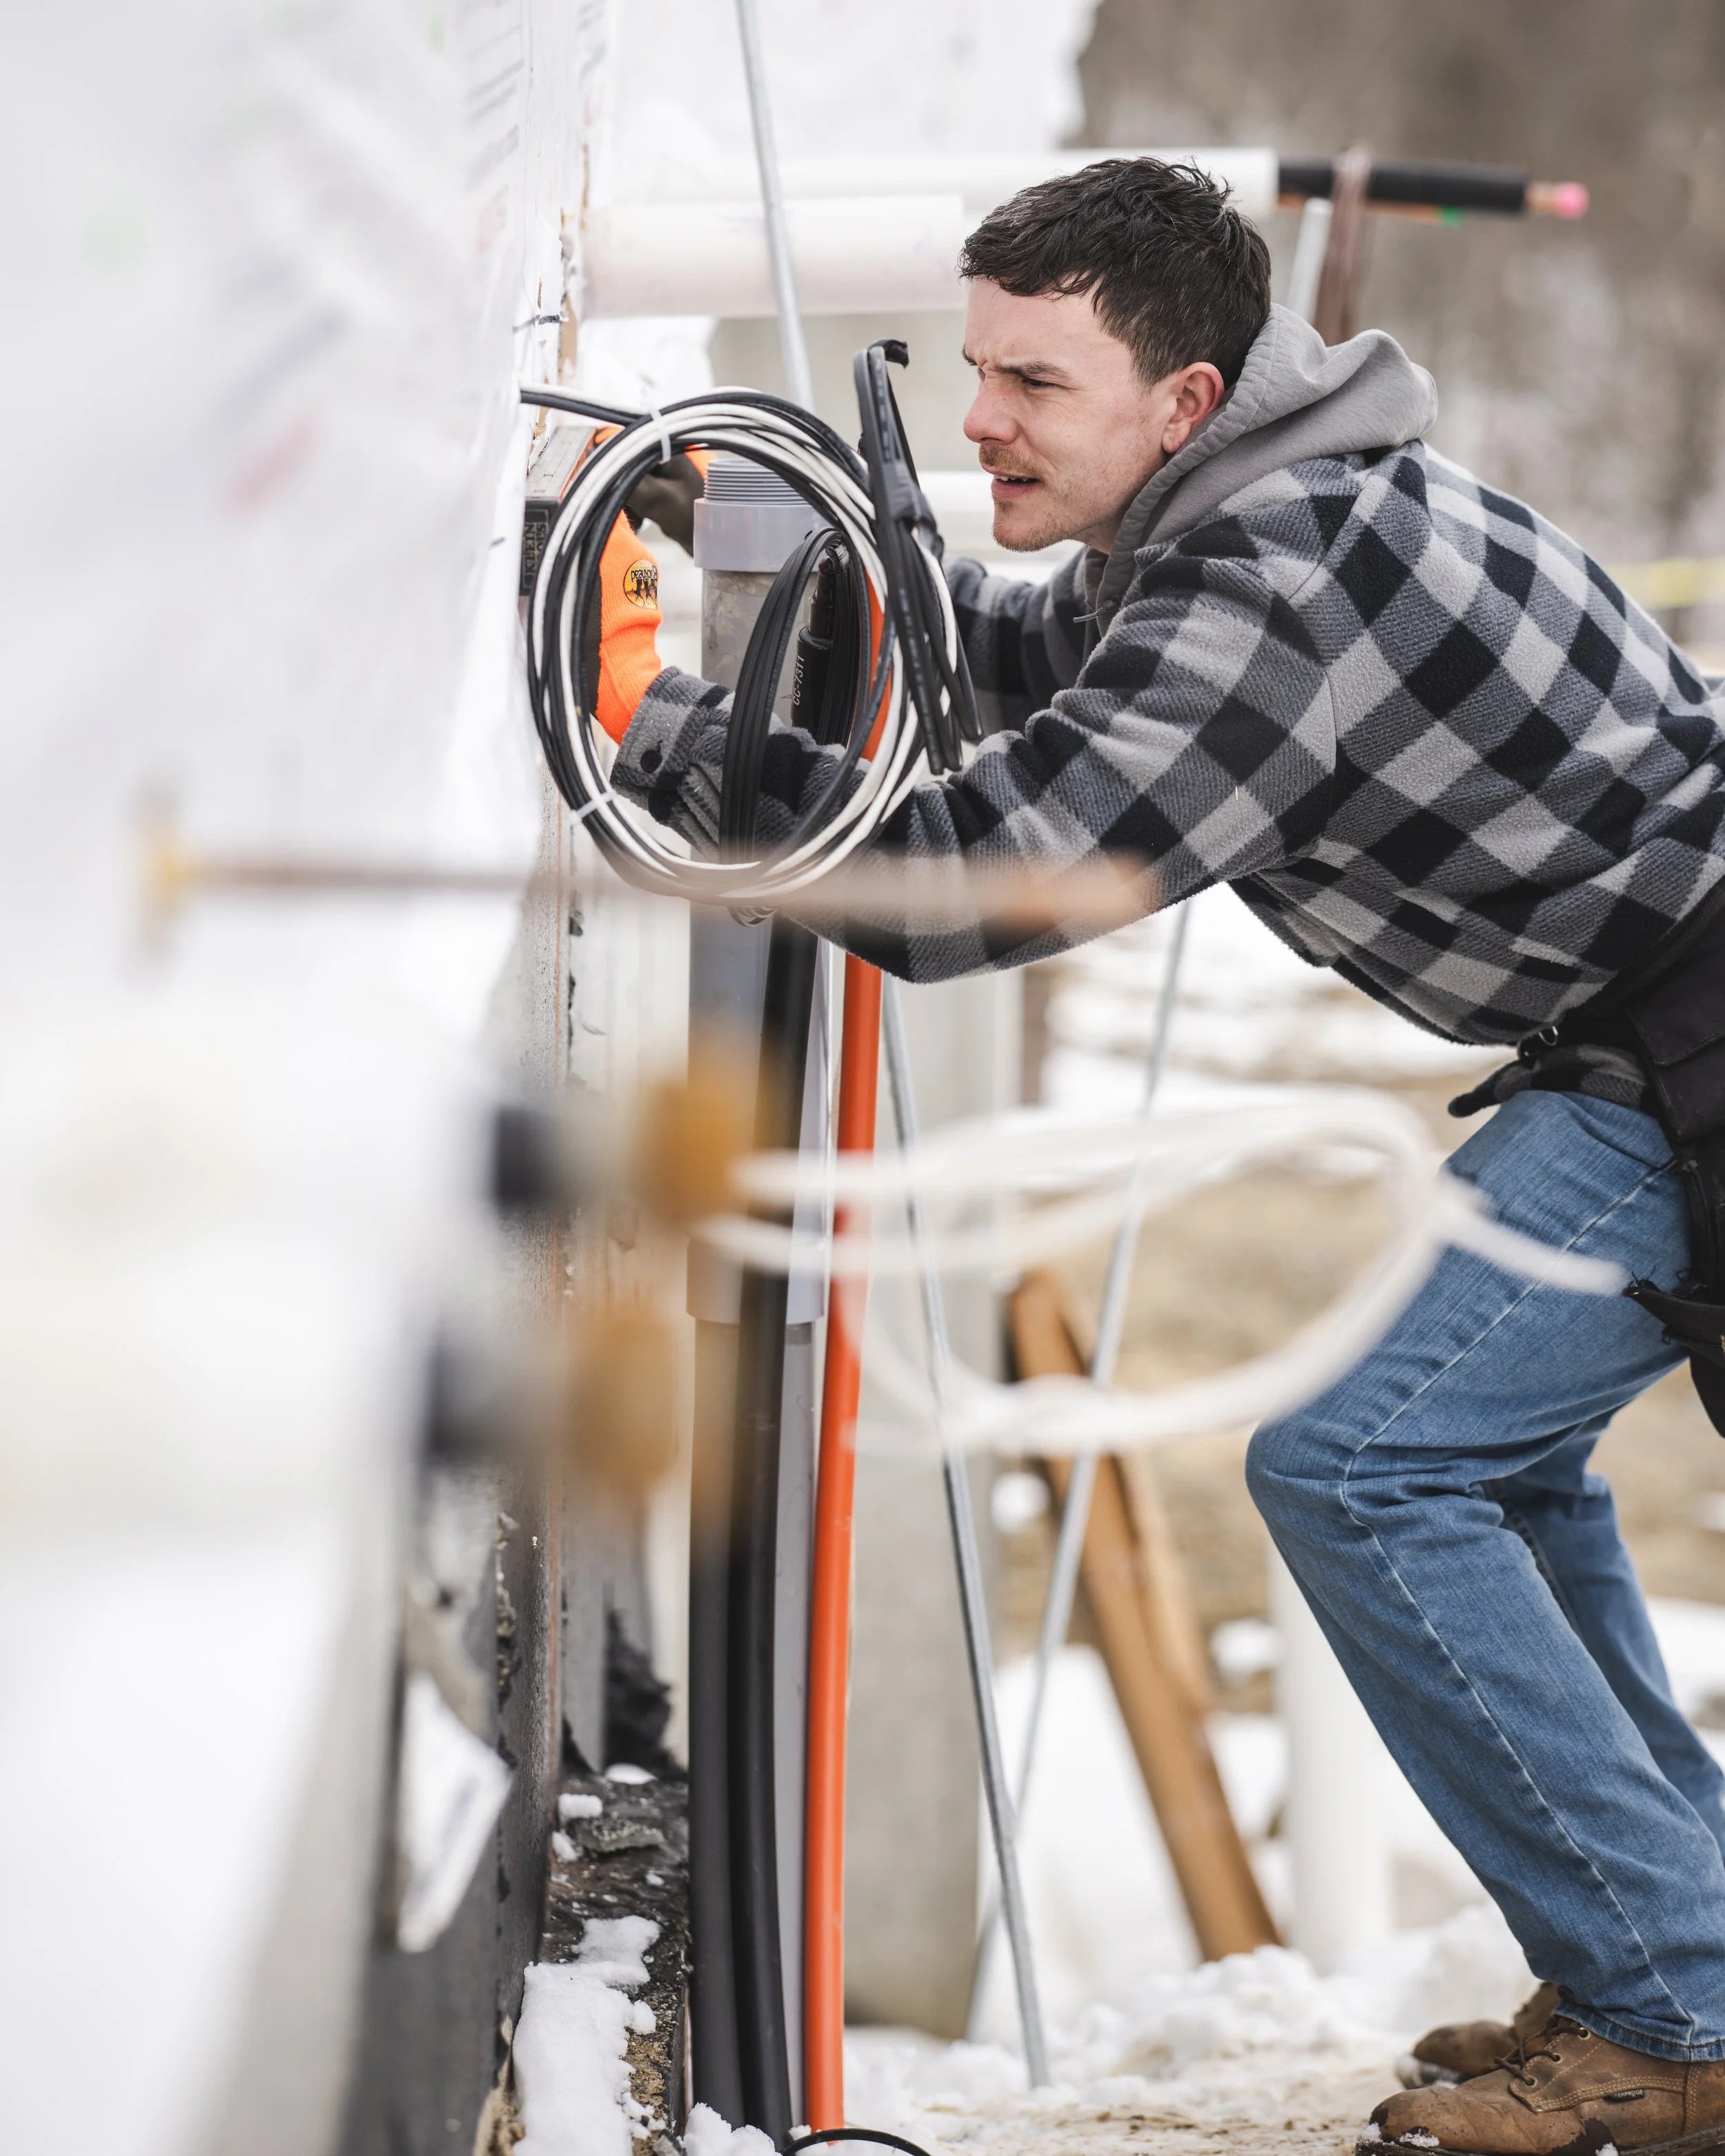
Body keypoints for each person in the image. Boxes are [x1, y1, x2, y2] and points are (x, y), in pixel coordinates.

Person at [591, 156, 1725, 2156]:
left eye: (1030, 382)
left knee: (1365, 1464)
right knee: (1484, 1460)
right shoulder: (1243, 505)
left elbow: (978, 880)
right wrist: (801, 556)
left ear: (1182, 397)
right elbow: (1028, 671)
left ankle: (1678, 2010)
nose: (976, 421)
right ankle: (1684, 1952)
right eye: (973, 370)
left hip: (1695, 1037)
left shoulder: (1264, 569)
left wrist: (659, 731)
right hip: (1641, 1023)